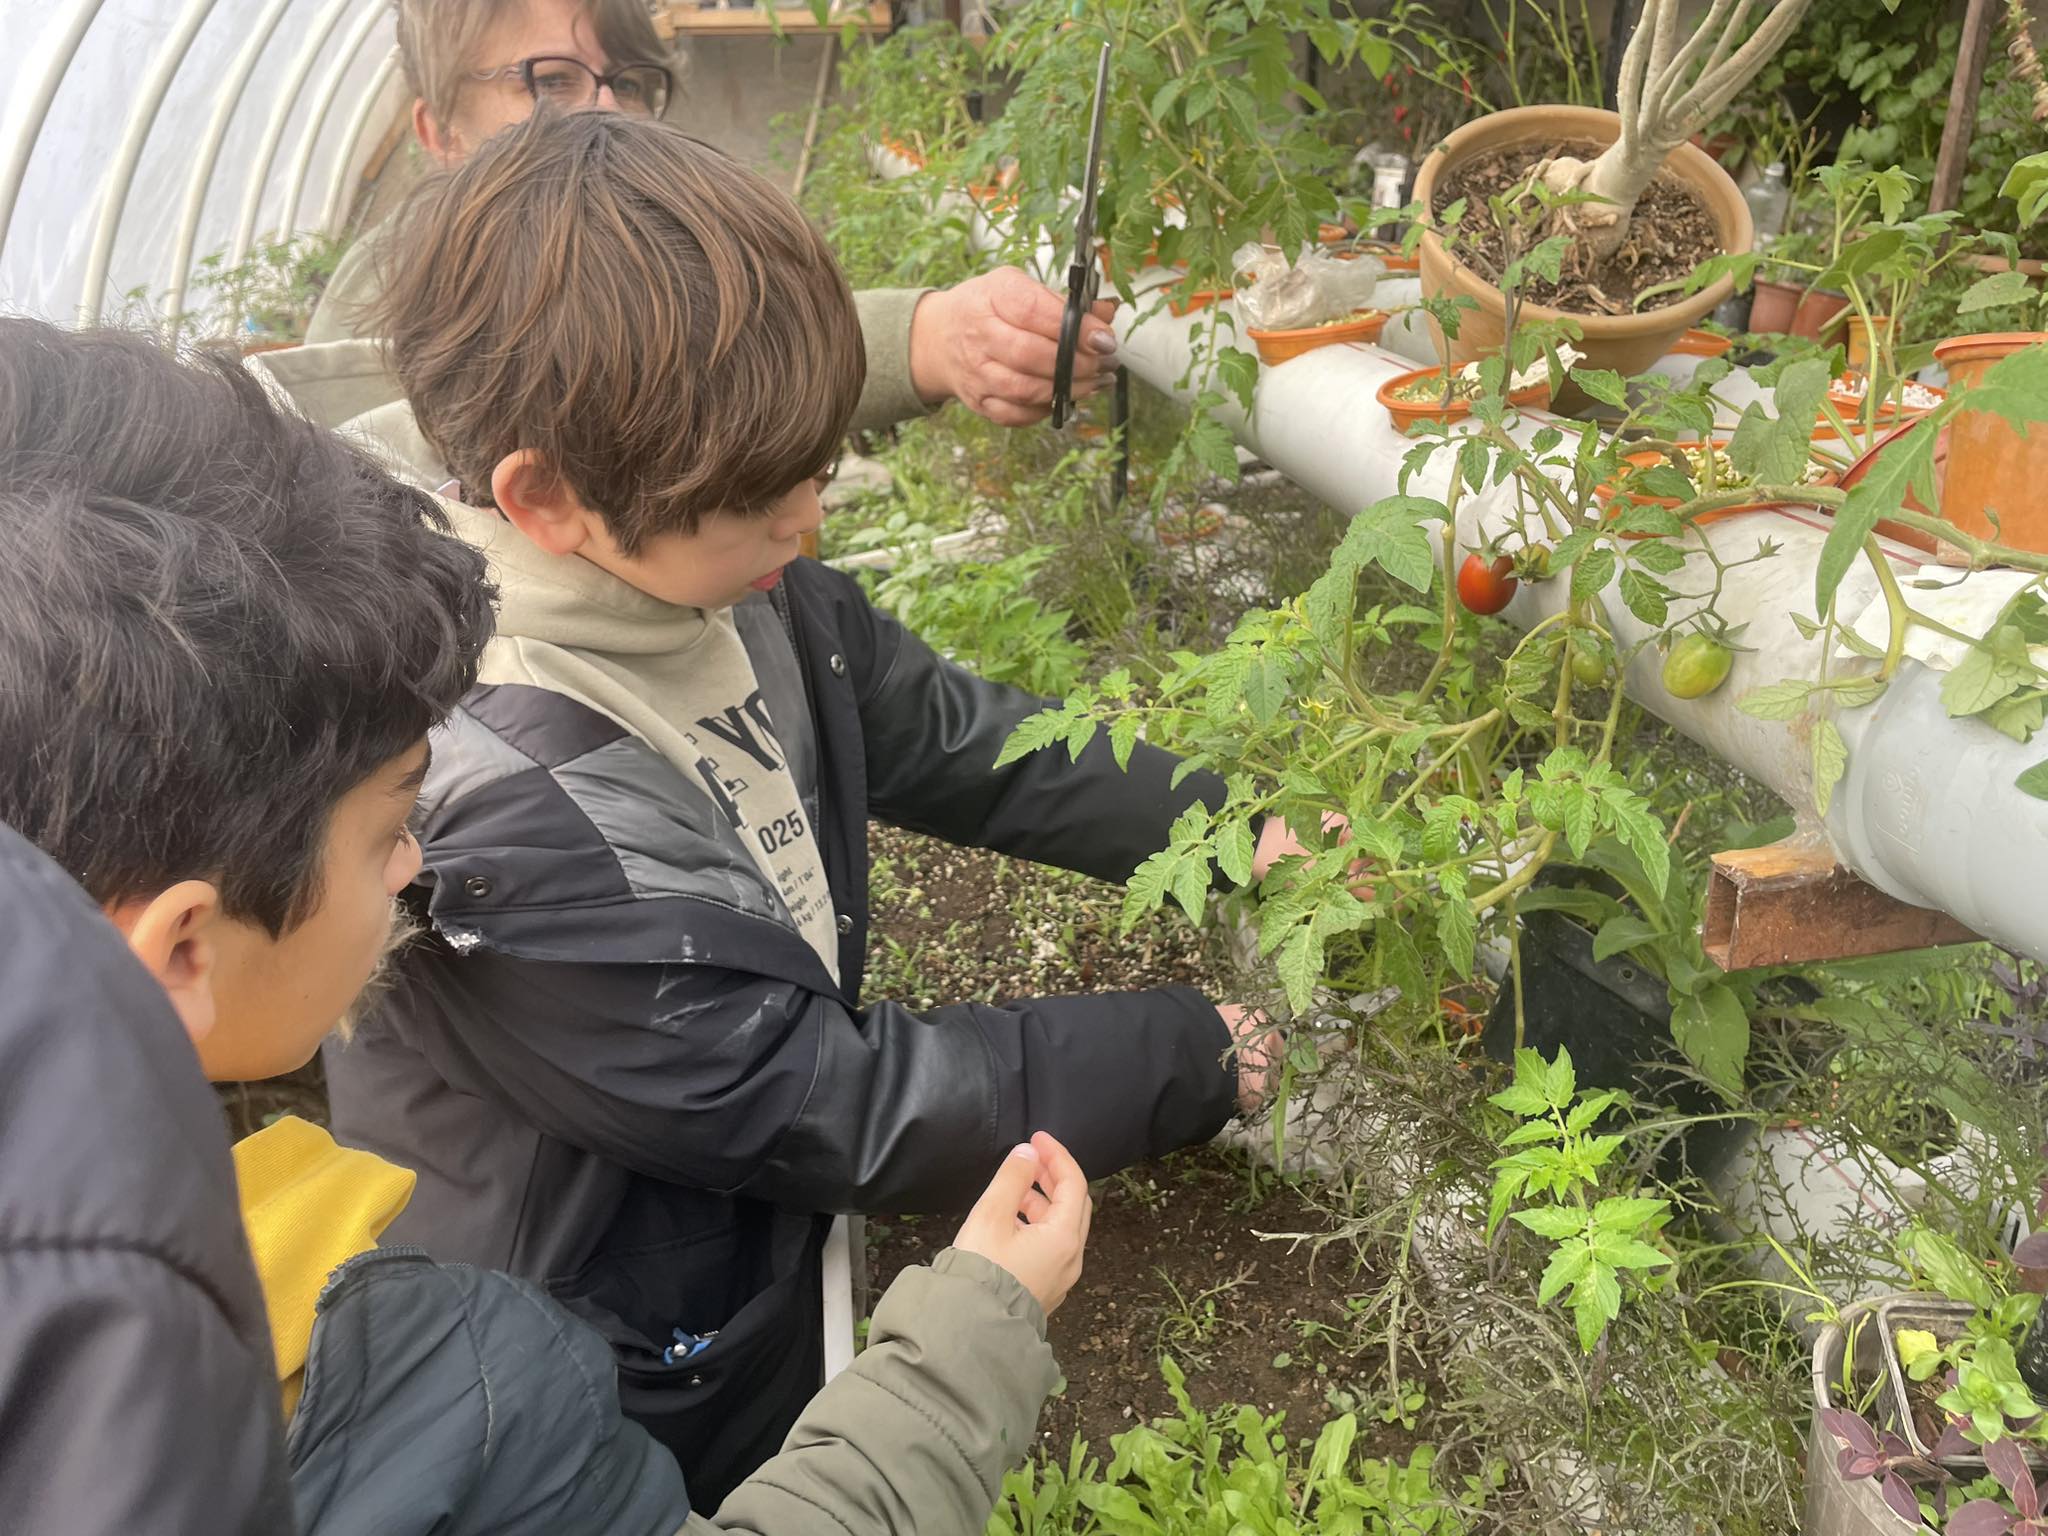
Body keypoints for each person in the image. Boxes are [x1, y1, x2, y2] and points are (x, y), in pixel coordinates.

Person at [324, 105, 1313, 1510]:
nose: (810, 524)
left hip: (728, 1230)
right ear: (546, 501)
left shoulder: (720, 571)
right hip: (594, 1336)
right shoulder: (490, 819)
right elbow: (821, 1098)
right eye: (762, 497)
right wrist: (1185, 1058)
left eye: (821, 466)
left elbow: (953, 737)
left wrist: (1223, 829)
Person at [0, 317, 1089, 1535]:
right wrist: (967, 1333)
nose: (418, 860)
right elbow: (807, 1093)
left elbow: (945, 742)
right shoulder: (410, 1391)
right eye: (388, 828)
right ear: (183, 949)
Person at [303, 0, 1117, 431]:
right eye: (548, 81)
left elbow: (734, 342)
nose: (606, 109)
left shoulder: (642, 236)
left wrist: (942, 338)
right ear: (438, 130)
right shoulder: (389, 297)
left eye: (628, 80)